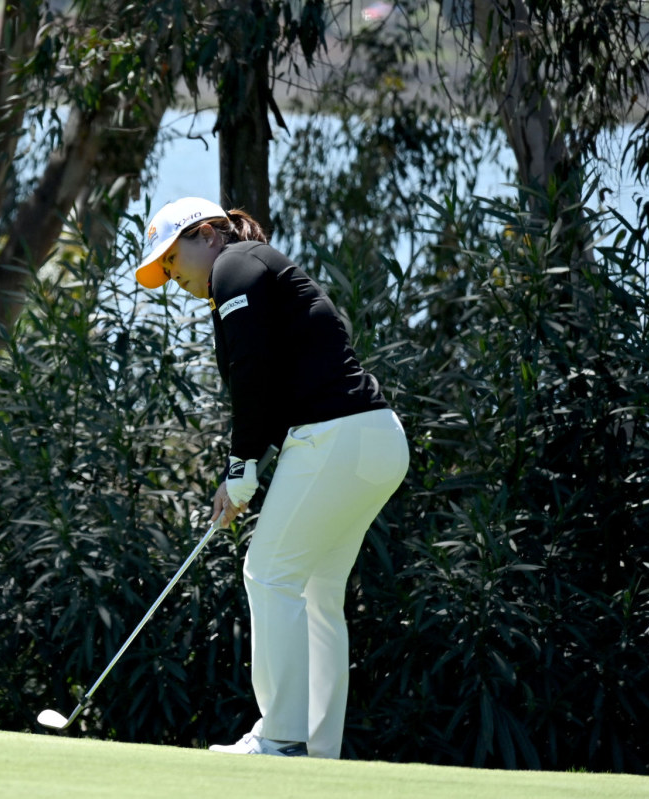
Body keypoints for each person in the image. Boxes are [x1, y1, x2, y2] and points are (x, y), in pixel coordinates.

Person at [135, 197, 409, 759]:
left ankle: (282, 735)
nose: (171, 274)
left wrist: (240, 468)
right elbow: (272, 390)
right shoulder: (249, 275)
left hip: (339, 435)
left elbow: (253, 375)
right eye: (162, 269)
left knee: (267, 573)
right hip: (375, 440)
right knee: (316, 593)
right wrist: (247, 469)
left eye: (171, 257)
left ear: (207, 234)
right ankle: (316, 749)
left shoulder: (235, 264)